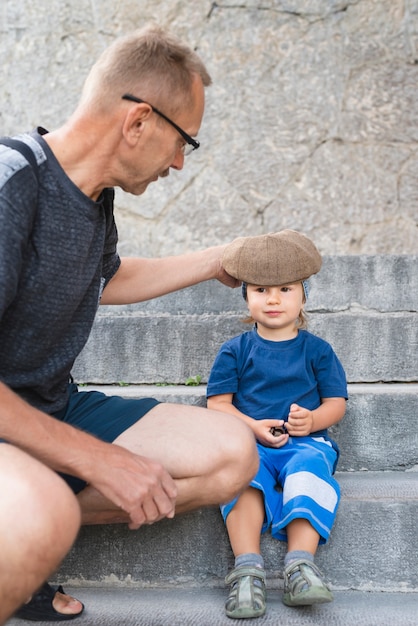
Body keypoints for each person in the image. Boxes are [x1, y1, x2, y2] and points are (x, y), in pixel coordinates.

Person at [0, 24, 258, 621]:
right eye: (183, 141)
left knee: (229, 453)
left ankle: (29, 510)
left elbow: (103, 276)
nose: (177, 162)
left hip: (49, 409)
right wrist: (97, 461)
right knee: (50, 509)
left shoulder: (95, 200)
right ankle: (30, 520)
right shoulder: (14, 181)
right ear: (138, 120)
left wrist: (217, 259)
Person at [207, 230, 348, 619]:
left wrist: (314, 420)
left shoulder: (317, 350)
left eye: (285, 289)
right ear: (247, 297)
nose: (272, 299)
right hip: (250, 442)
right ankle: (247, 569)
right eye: (260, 290)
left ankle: (300, 566)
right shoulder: (236, 350)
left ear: (303, 295)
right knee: (242, 477)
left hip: (306, 442)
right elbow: (218, 404)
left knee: (309, 471)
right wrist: (250, 426)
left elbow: (337, 402)